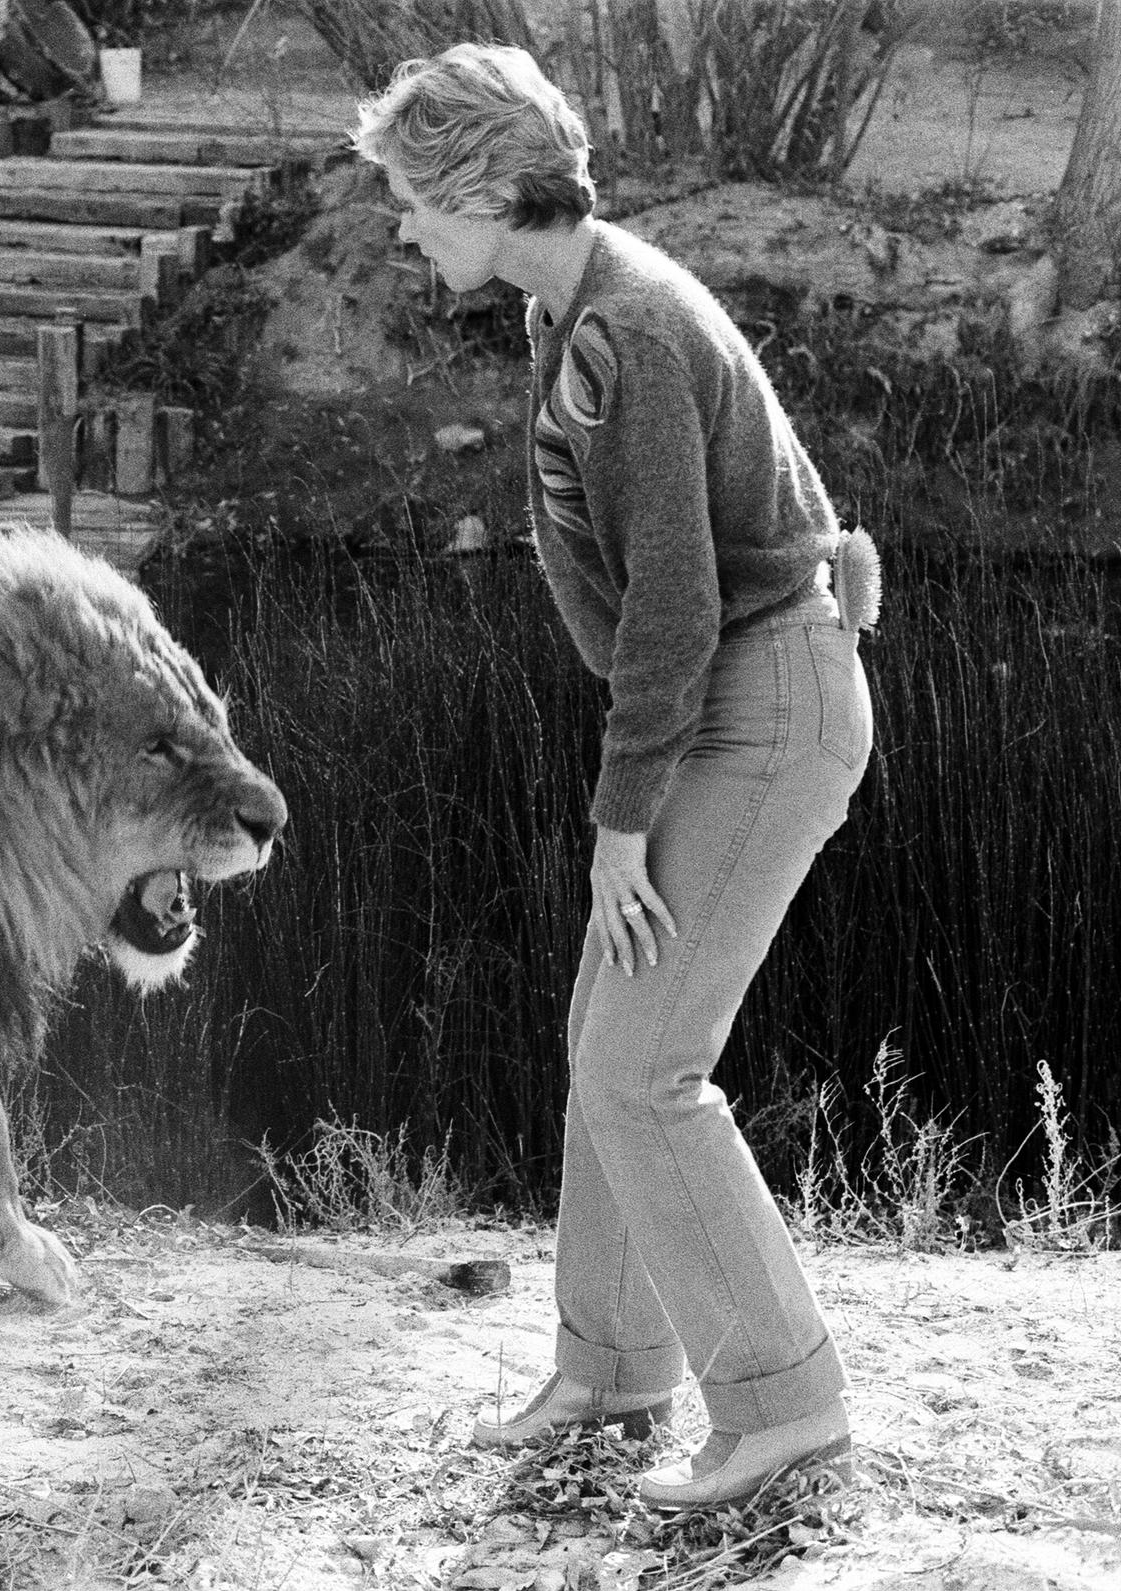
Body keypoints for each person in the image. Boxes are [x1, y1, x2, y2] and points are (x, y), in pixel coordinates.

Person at [352, 47, 879, 1510]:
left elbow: (676, 605)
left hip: (758, 714)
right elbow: (752, 487)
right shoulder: (569, 305)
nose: (403, 228)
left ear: (477, 190)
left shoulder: (625, 325)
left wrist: (621, 823)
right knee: (607, 1035)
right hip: (742, 690)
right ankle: (611, 1366)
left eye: (410, 199)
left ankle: (783, 1401)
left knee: (647, 1068)